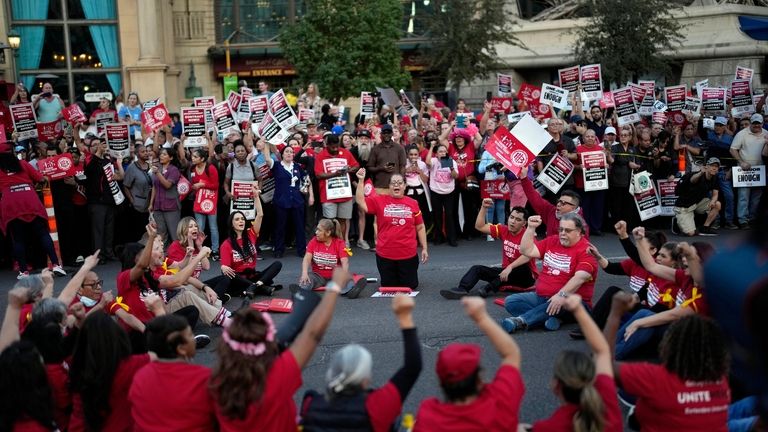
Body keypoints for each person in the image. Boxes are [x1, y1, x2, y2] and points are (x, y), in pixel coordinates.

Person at [210, 268, 349, 431]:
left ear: (226, 346)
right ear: (267, 341)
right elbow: (312, 334)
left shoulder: (216, 384)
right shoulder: (277, 376)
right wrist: (335, 287)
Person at [605, 297, 731, 431]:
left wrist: (615, 314)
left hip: (652, 411)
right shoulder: (721, 382)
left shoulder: (657, 378)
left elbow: (604, 364)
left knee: (634, 408)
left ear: (670, 344)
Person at [300, 295, 422, 431]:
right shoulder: (377, 407)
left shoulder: (311, 404)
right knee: (397, 421)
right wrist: (405, 317)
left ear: (331, 373)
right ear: (366, 379)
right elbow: (413, 367)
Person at [414, 297, 524, 431]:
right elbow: (511, 354)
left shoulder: (428, 417)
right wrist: (481, 317)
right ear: (479, 379)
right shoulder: (500, 402)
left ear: (441, 382)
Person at [524, 294, 622, 432]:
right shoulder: (606, 405)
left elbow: (602, 352)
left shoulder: (550, 426)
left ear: (556, 385)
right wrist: (578, 310)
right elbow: (602, 351)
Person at [612, 233, 714, 360]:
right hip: (677, 327)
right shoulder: (685, 277)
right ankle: (609, 348)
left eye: (689, 257)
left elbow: (674, 314)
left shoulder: (706, 293)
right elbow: (651, 266)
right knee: (643, 314)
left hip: (691, 340)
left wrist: (638, 323)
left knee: (646, 319)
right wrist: (639, 240)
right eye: (684, 256)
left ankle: (611, 355)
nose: (684, 259)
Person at [502, 213, 598, 333]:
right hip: (543, 297)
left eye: (567, 230)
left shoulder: (586, 250)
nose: (562, 233)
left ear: (579, 232)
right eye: (561, 229)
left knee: (562, 302)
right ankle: (551, 318)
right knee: (511, 301)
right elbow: (526, 250)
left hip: (573, 302)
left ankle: (521, 321)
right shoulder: (552, 240)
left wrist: (561, 295)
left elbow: (580, 278)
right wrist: (531, 228)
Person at [68, 311, 153, 432]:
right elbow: (164, 351)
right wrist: (159, 310)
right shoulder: (131, 364)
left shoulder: (78, 370)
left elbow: (77, 419)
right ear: (118, 337)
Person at [129, 314, 216, 431]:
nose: (193, 338)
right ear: (180, 348)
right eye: (190, 335)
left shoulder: (140, 378)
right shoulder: (204, 378)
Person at [441, 201, 536, 299]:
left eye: (518, 219)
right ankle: (461, 290)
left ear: (524, 223)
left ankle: (488, 288)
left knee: (521, 268)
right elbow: (480, 226)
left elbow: (528, 255)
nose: (513, 221)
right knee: (477, 269)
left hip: (525, 278)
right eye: (511, 217)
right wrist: (483, 208)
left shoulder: (528, 236)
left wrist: (510, 267)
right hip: (506, 273)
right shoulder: (504, 230)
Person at [0, 143, 67, 279]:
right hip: (30, 199)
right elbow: (42, 179)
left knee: (18, 238)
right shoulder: (23, 164)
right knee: (43, 233)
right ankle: (56, 265)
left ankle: (23, 271)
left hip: (11, 202)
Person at [355, 168, 428, 289]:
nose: (396, 185)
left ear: (405, 186)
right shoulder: (379, 200)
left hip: (407, 254)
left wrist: (424, 248)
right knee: (388, 285)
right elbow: (360, 201)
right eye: (393, 183)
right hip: (385, 255)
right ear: (389, 186)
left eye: (400, 183)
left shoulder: (413, 203)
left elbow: (420, 227)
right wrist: (361, 180)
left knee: (411, 285)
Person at [219, 199, 283, 298]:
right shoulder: (226, 244)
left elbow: (260, 214)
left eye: (242, 219)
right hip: (239, 280)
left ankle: (254, 287)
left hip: (253, 277)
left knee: (277, 264)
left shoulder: (251, 234)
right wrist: (224, 267)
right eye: (237, 219)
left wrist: (256, 196)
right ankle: (258, 287)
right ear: (231, 224)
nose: (241, 221)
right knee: (227, 274)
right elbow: (227, 270)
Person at [82, 135, 123, 263]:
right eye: (95, 145)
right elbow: (90, 171)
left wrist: (120, 164)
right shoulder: (89, 160)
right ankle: (98, 256)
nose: (99, 146)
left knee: (109, 229)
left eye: (100, 144)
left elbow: (120, 177)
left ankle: (108, 253)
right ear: (91, 148)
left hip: (109, 200)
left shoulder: (107, 161)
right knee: (98, 230)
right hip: (96, 202)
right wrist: (98, 153)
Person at [519, 165, 588, 238]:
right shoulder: (551, 211)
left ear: (573, 208)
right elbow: (534, 198)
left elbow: (583, 247)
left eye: (563, 203)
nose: (558, 204)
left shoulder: (580, 225)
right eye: (559, 201)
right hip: (549, 248)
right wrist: (524, 178)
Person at [314, 134, 358, 248]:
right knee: (330, 222)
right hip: (328, 195)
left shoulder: (345, 152)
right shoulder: (321, 155)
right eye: (332, 147)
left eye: (337, 146)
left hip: (344, 193)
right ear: (327, 145)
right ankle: (329, 244)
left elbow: (356, 166)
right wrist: (334, 174)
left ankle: (340, 243)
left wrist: (349, 169)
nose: (335, 149)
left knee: (343, 220)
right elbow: (318, 175)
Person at [730, 113, 768, 229]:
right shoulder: (742, 133)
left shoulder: (766, 133)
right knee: (743, 196)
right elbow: (732, 149)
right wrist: (741, 162)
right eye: (754, 123)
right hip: (744, 170)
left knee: (757, 197)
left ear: (762, 123)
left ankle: (752, 219)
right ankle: (743, 220)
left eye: (759, 123)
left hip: (760, 169)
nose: (757, 125)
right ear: (751, 122)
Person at [700, 116, 737, 229]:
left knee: (729, 196)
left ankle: (729, 221)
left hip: (724, 171)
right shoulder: (709, 134)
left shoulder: (730, 139)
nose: (718, 127)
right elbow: (700, 130)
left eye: (721, 125)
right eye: (716, 125)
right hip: (711, 172)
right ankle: (714, 221)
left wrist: (731, 170)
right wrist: (699, 118)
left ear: (725, 126)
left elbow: (734, 155)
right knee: (711, 198)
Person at [672, 157, 722, 236]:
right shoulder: (698, 175)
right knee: (691, 233)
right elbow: (692, 180)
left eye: (716, 166)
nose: (714, 168)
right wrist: (701, 173)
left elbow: (715, 194)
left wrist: (713, 201)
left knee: (717, 204)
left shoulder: (715, 178)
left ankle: (705, 227)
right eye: (712, 166)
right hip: (684, 206)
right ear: (707, 166)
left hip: (697, 202)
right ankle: (677, 221)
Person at [190, 148, 221, 259]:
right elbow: (193, 184)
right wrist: (194, 187)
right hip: (199, 201)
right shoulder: (192, 169)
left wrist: (201, 184)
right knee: (199, 227)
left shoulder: (210, 168)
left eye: (195, 157)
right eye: (192, 156)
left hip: (210, 202)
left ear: (202, 159)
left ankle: (215, 250)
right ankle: (199, 250)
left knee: (213, 227)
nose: (192, 158)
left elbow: (216, 185)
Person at [425, 143, 459, 246]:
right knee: (437, 215)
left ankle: (452, 238)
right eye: (440, 152)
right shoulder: (434, 161)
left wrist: (451, 168)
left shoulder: (451, 161)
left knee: (449, 214)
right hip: (436, 191)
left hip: (449, 191)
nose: (443, 153)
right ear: (436, 154)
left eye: (444, 151)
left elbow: (456, 176)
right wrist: (431, 147)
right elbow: (427, 162)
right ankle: (439, 237)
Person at [149, 147, 182, 243]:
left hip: (171, 206)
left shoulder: (174, 170)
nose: (161, 156)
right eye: (161, 154)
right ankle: (163, 256)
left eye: (164, 154)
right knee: (161, 234)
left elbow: (167, 185)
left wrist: (158, 173)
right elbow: (154, 187)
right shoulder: (157, 168)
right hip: (158, 206)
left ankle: (178, 256)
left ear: (171, 158)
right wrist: (151, 203)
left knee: (174, 234)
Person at [123, 141, 153, 241]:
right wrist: (132, 200)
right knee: (138, 232)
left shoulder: (151, 167)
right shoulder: (132, 168)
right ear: (137, 154)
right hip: (138, 206)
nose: (146, 153)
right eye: (143, 151)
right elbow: (126, 186)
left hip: (150, 206)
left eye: (146, 151)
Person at [367, 124, 407, 195]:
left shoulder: (399, 148)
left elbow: (402, 166)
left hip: (396, 187)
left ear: (392, 134)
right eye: (384, 133)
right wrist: (381, 168)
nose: (386, 135)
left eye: (388, 133)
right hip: (380, 186)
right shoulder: (375, 149)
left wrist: (401, 182)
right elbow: (370, 167)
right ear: (381, 134)